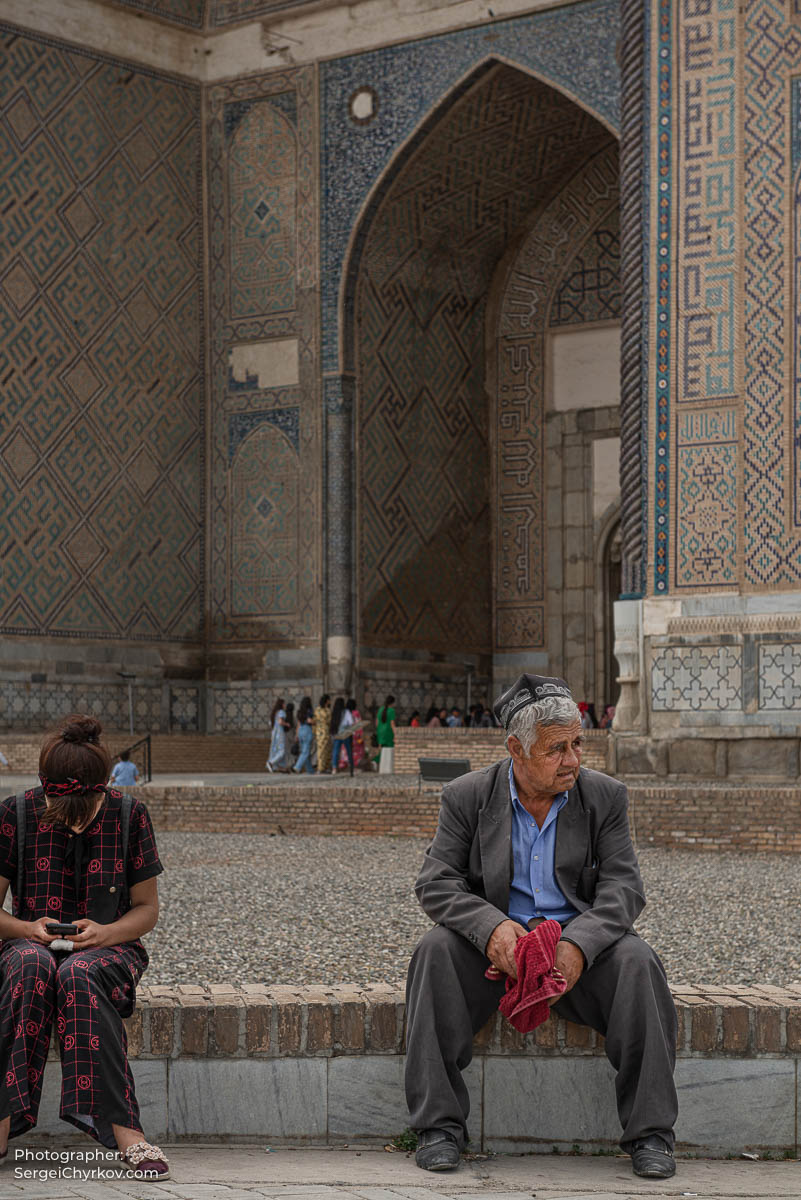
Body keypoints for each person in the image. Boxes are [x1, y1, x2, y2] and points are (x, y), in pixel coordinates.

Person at [405, 673, 677, 1180]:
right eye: (556, 749)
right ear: (516, 748)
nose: (573, 759)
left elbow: (623, 889)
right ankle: (439, 1128)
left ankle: (651, 1133)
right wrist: (491, 930)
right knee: (434, 952)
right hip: (497, 955)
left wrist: (577, 944)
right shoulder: (467, 797)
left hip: (576, 957)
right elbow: (436, 883)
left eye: (578, 743)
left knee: (639, 963)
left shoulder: (604, 797)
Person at [0, 714, 169, 1180]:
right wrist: (27, 929)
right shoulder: (15, 813)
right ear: (45, 788)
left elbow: (146, 910)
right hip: (26, 945)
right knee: (33, 968)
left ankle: (127, 1132)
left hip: (110, 949)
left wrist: (104, 933)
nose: (67, 814)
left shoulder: (129, 814)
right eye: (57, 803)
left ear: (101, 789)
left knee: (79, 973)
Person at [330, 698, 354, 775]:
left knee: (336, 751)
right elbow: (351, 722)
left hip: (337, 733)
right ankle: (351, 766)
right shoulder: (346, 712)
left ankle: (334, 768)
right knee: (348, 750)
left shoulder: (334, 712)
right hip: (345, 733)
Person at [266, 698, 290, 772]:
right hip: (280, 733)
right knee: (281, 751)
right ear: (281, 704)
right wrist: (286, 724)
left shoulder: (274, 713)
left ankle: (281, 767)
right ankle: (271, 763)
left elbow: (270, 723)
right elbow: (280, 721)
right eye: (284, 704)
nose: (285, 705)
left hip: (274, 733)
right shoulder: (281, 712)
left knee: (275, 750)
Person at [294, 697, 316, 775]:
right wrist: (315, 722)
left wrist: (296, 735)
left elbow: (298, 724)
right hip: (307, 730)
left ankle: (310, 770)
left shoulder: (299, 712)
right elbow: (309, 720)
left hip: (300, 731)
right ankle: (297, 767)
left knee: (304, 751)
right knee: (306, 752)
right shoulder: (309, 711)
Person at [376, 695, 396, 774]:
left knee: (381, 749)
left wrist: (378, 730)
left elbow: (377, 722)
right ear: (392, 703)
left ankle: (379, 765)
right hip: (388, 732)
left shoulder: (380, 709)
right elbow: (392, 723)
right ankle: (387, 767)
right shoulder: (391, 710)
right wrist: (395, 733)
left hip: (380, 731)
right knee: (389, 749)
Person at [313, 694, 332, 774]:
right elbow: (329, 721)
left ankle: (322, 767)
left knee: (321, 749)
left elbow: (314, 721)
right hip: (325, 731)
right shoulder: (327, 711)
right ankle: (322, 767)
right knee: (324, 750)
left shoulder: (317, 710)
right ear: (327, 701)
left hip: (318, 731)